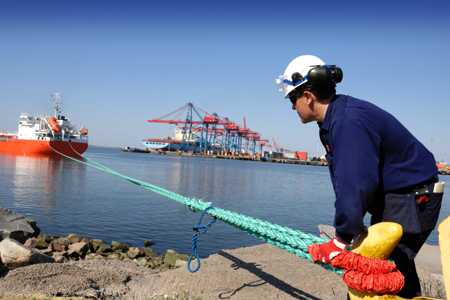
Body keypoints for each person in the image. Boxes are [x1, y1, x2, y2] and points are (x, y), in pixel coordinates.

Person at [276, 54, 444, 298]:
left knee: (379, 274)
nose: (292, 106)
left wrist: (341, 239)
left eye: (292, 99)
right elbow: (352, 182)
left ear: (308, 97)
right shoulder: (338, 117)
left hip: (412, 200)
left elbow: (355, 184)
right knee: (389, 273)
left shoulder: (347, 122)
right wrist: (348, 231)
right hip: (399, 198)